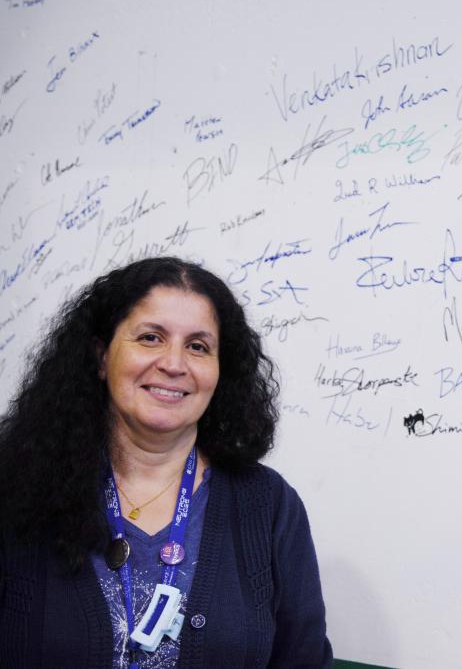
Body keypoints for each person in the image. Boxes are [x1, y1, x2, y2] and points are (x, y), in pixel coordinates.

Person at [0, 256, 333, 667]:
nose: (174, 364)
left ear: (219, 370)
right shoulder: (15, 486)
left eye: (198, 346)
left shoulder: (269, 506)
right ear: (102, 357)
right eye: (150, 338)